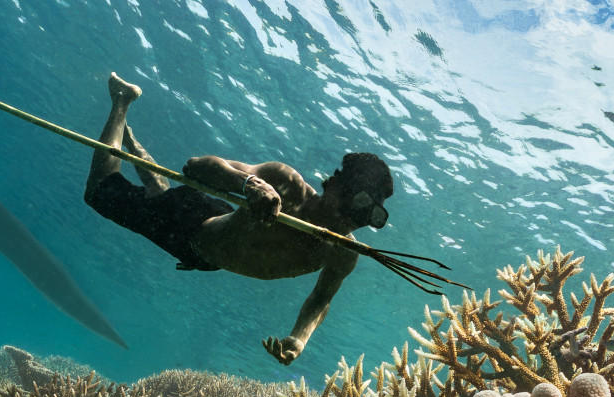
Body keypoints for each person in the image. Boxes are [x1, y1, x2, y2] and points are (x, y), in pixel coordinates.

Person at [84, 73, 394, 365]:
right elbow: (195, 167)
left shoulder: (344, 253)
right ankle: (122, 101)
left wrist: (300, 338)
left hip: (208, 254)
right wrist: (249, 184)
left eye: (371, 216)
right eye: (358, 203)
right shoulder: (286, 185)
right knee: (99, 192)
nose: (355, 220)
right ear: (335, 183)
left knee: (158, 196)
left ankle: (129, 137)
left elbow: (321, 297)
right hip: (190, 224)